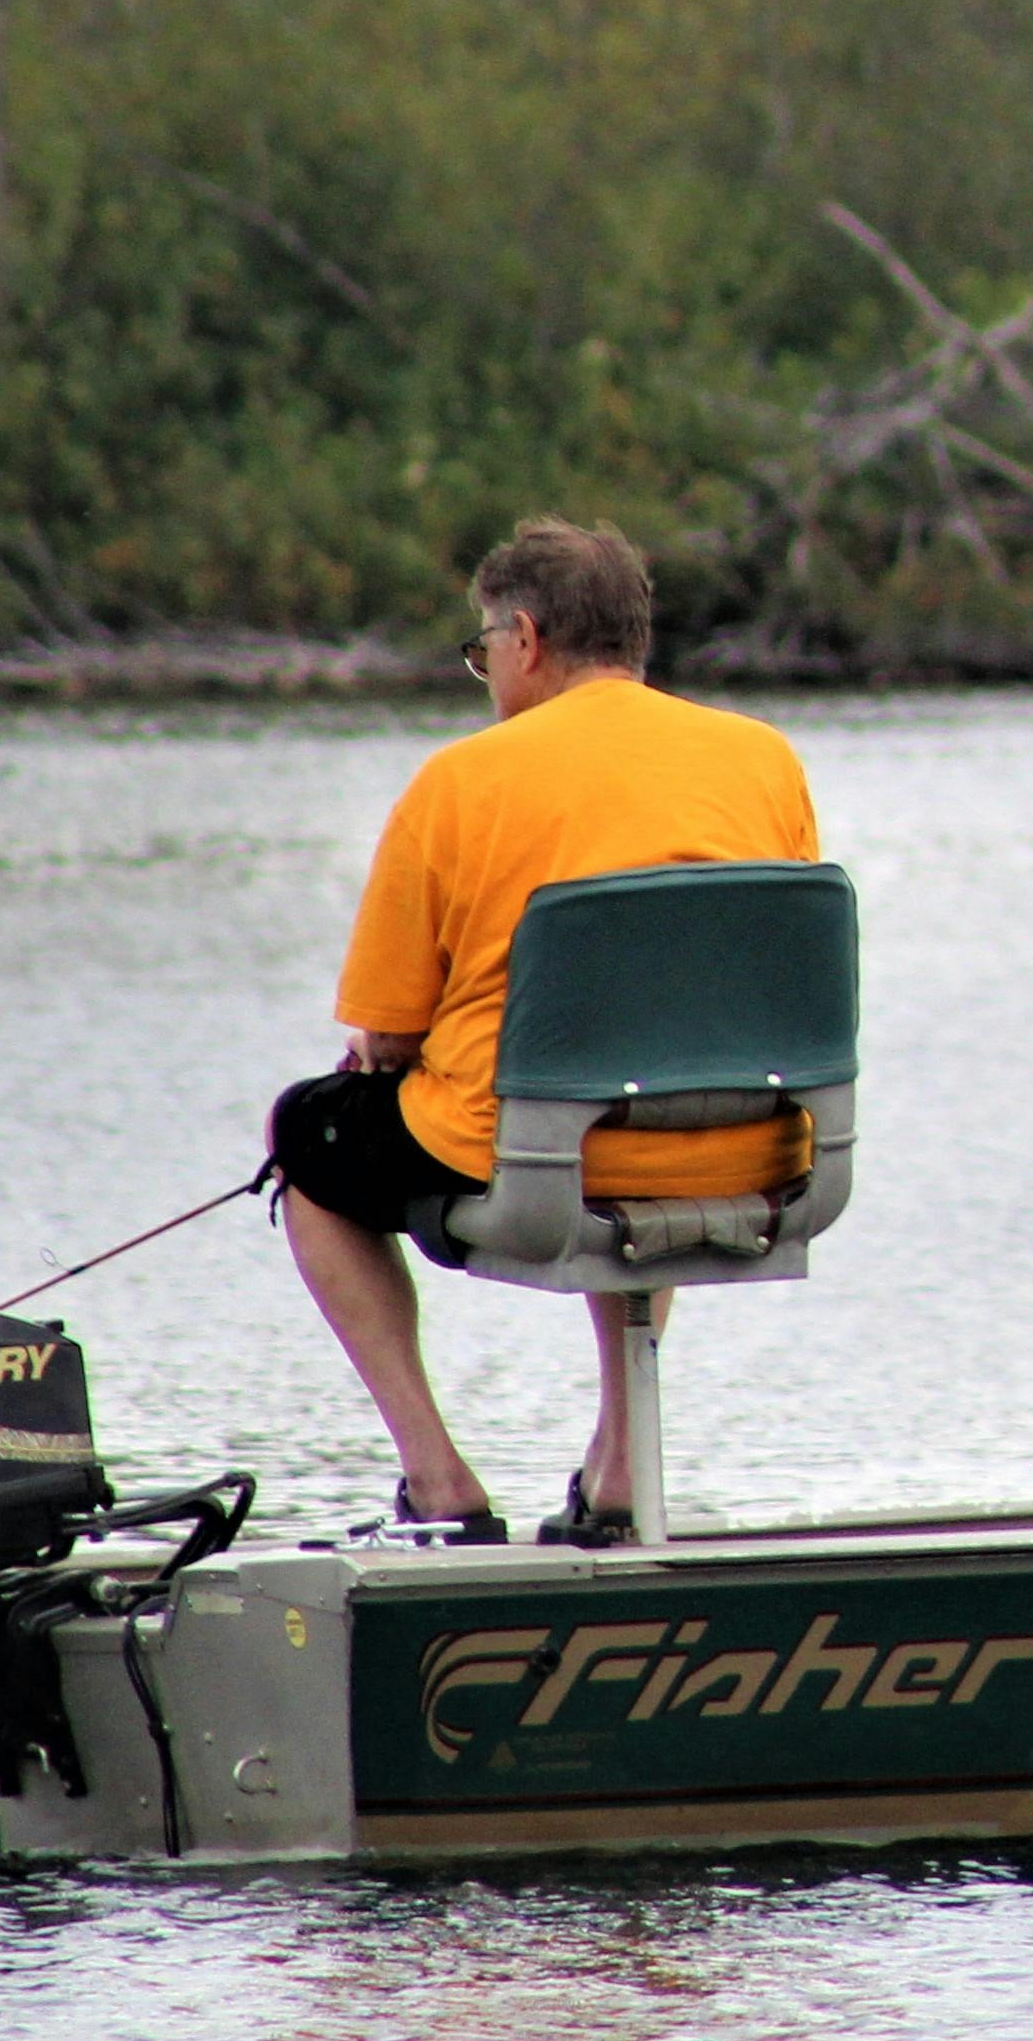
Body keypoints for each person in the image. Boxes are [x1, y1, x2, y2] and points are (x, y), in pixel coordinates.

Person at [267, 517, 823, 1544]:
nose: (485, 672)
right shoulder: (764, 761)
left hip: (534, 1155)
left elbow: (386, 1037)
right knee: (635, 1110)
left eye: (483, 649)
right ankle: (618, 1472)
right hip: (750, 1149)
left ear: (525, 638)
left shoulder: (463, 782)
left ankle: (439, 1483)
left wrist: (385, 1057)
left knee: (309, 1141)